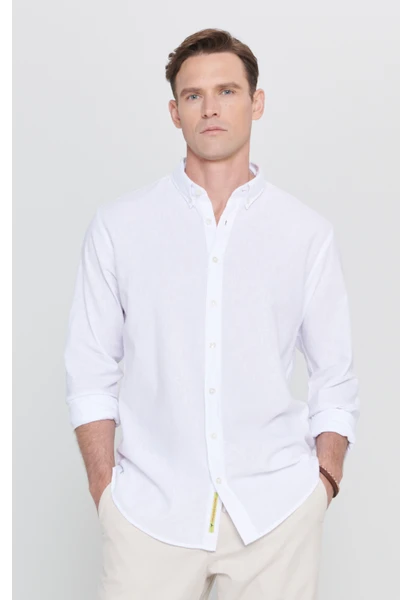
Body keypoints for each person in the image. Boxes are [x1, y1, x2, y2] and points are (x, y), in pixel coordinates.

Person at [64, 27, 360, 600]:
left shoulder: (306, 234)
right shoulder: (120, 227)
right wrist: (106, 491)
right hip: (149, 515)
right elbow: (90, 370)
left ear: (257, 102)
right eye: (194, 95)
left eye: (227, 91)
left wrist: (324, 481)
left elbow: (335, 376)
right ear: (174, 112)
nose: (211, 108)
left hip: (276, 515)